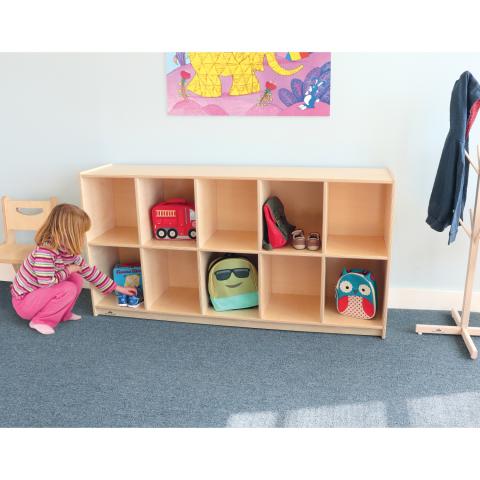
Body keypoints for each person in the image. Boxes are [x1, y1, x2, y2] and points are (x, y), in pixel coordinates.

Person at [11, 204, 136, 334]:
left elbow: (89, 272)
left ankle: (62, 313)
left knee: (76, 279)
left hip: (39, 294)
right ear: (69, 233)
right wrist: (67, 271)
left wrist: (118, 288)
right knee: (68, 287)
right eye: (81, 233)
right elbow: (45, 283)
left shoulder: (67, 250)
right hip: (24, 303)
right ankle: (41, 321)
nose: (83, 237)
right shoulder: (45, 252)